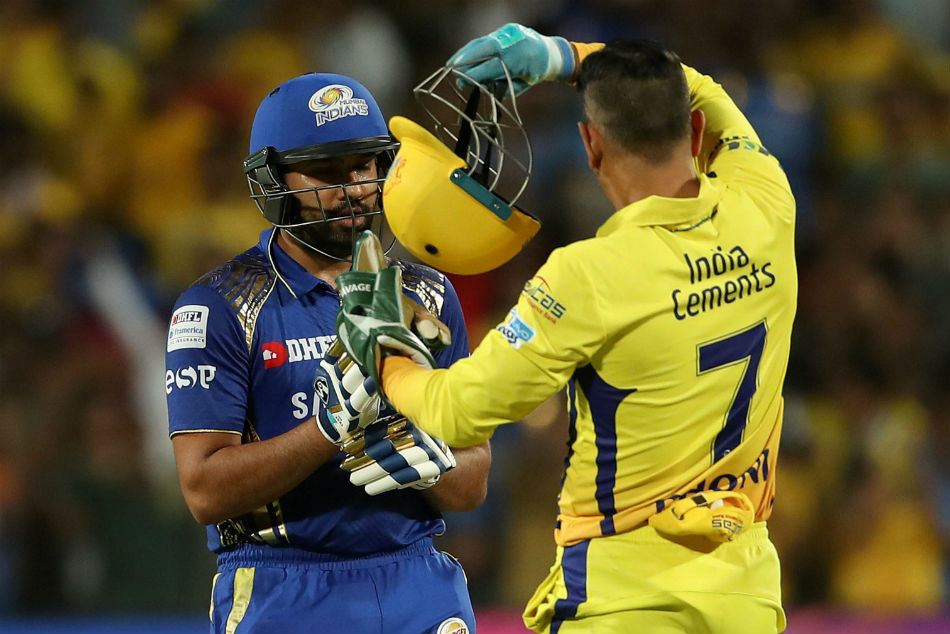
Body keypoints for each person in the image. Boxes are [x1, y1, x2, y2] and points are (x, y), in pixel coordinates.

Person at [337, 24, 797, 634]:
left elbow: (456, 411)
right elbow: (704, 89)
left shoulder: (588, 278)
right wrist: (566, 57)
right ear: (693, 133)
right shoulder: (766, 202)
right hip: (745, 595)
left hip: (622, 600)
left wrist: (386, 349)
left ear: (590, 144)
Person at [164, 71, 490, 634]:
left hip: (420, 582)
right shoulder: (219, 305)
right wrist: (331, 426)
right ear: (272, 180)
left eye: (364, 166)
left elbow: (473, 482)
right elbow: (203, 491)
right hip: (286, 588)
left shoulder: (429, 294)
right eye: (326, 172)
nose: (354, 188)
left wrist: (428, 464)